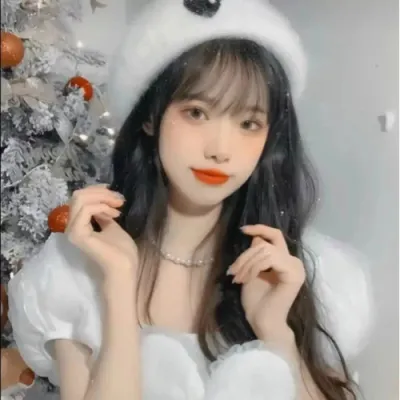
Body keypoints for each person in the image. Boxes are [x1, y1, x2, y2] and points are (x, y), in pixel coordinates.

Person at [7, 1, 372, 399]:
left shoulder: (297, 274)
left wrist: (276, 332)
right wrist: (119, 287)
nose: (220, 149)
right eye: (197, 113)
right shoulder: (77, 274)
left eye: (249, 123)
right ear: (150, 117)